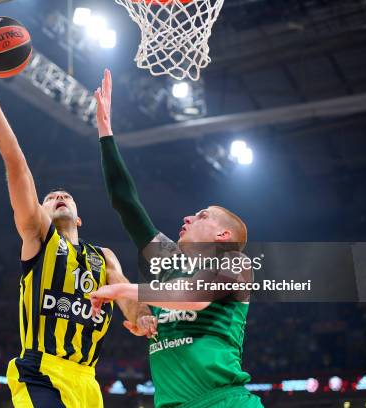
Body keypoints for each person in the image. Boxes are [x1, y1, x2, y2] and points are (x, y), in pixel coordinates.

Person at [0, 44, 154, 408]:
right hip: (40, 373)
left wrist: (143, 317)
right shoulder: (38, 235)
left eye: (65, 196)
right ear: (37, 211)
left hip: (87, 381)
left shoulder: (104, 257)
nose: (59, 197)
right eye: (50, 197)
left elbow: (127, 297)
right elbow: (15, 161)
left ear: (79, 218)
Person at [89, 69, 264, 408]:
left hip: (223, 401)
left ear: (222, 235)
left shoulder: (234, 262)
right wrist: (106, 135)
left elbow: (195, 298)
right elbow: (127, 204)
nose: (187, 217)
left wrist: (125, 289)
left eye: (201, 215)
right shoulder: (169, 262)